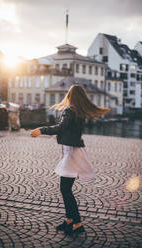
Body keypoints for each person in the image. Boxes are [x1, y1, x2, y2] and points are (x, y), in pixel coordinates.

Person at [31, 84, 110, 235]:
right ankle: (69, 220)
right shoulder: (78, 112)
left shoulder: (70, 111)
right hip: (74, 151)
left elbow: (61, 127)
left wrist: (41, 130)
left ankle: (77, 223)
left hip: (72, 154)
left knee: (65, 190)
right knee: (66, 189)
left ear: (70, 96)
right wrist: (60, 136)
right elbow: (71, 130)